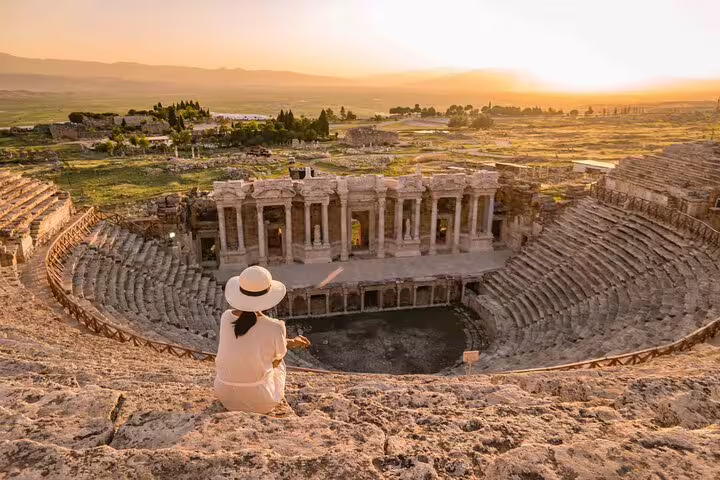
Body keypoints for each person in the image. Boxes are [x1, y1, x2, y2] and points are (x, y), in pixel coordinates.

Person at [214, 265, 310, 414]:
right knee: (280, 360)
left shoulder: (226, 317)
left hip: (225, 395)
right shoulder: (276, 327)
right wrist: (289, 343)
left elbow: (250, 340)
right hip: (260, 401)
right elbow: (275, 360)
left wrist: (291, 341)